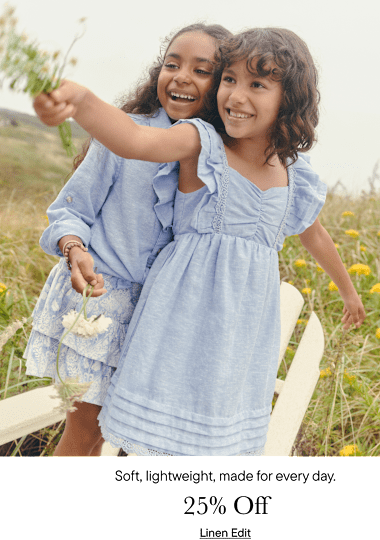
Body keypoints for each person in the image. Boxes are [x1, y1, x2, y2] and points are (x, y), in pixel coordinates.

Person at [34, 27, 366, 456]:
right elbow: (135, 141)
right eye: (230, 79)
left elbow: (314, 233)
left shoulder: (293, 173)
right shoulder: (201, 142)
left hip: (238, 334)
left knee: (205, 441)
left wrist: (349, 291)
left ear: (291, 98)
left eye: (257, 84)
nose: (237, 95)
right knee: (114, 434)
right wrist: (80, 100)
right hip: (175, 318)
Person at [25, 23, 232, 457]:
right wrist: (74, 249)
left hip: (161, 321)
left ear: (225, 85)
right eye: (171, 64)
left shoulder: (220, 159)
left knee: (135, 440)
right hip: (99, 303)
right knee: (86, 434)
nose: (180, 76)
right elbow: (71, 210)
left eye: (201, 69)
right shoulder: (124, 134)